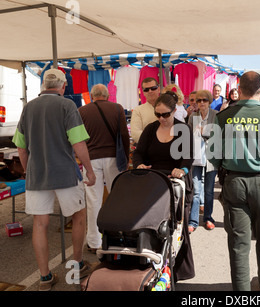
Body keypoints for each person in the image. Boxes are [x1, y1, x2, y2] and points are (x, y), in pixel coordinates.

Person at [207, 71, 260, 291]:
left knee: (238, 243)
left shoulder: (225, 116)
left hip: (234, 183)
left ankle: (242, 292)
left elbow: (213, 155)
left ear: (239, 88)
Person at [12, 69, 96, 291]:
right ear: (63, 86)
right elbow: (78, 143)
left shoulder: (28, 107)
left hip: (37, 174)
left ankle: (45, 277)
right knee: (79, 215)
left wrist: (29, 169)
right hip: (66, 173)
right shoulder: (67, 106)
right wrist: (89, 170)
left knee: (40, 224)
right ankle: (77, 265)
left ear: (42, 87)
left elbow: (21, 147)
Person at [132, 91, 195, 281]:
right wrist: (139, 165)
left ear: (175, 111)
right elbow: (139, 153)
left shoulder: (183, 129)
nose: (161, 118)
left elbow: (188, 157)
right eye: (157, 114)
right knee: (152, 225)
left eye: (165, 114)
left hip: (176, 183)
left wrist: (182, 169)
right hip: (153, 182)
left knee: (176, 227)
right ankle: (152, 266)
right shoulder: (151, 129)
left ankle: (178, 271)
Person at [78, 84, 130, 253]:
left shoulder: (82, 111)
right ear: (107, 95)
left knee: (93, 201)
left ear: (92, 96)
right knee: (116, 197)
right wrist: (127, 157)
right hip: (113, 157)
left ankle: (94, 242)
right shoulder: (117, 108)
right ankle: (118, 236)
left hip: (91, 159)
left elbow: (79, 139)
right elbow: (124, 135)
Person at [188, 90, 217, 232]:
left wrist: (203, 131)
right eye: (198, 100)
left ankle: (208, 218)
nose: (201, 103)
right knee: (196, 190)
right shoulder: (192, 116)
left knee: (209, 190)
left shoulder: (216, 115)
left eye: (204, 100)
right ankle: (193, 221)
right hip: (196, 156)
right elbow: (188, 136)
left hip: (211, 157)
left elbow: (219, 134)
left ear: (209, 101)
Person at [130, 77, 159, 143]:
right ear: (143, 92)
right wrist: (157, 141)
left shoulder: (168, 106)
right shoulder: (138, 110)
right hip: (148, 149)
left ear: (158, 89)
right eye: (146, 89)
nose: (150, 91)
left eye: (153, 88)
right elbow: (135, 133)